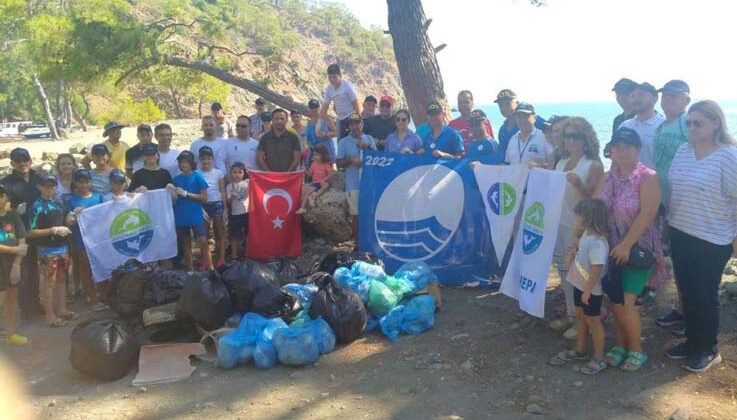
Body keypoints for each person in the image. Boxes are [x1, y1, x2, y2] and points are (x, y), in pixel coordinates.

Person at [665, 100, 737, 372]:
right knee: (686, 290)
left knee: (704, 294)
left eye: (699, 123)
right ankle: (692, 341)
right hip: (681, 230)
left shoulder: (728, 156)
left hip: (713, 237)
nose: (692, 127)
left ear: (716, 123)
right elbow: (676, 189)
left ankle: (708, 349)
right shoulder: (684, 151)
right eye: (689, 122)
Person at [596, 127, 665, 372]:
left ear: (637, 149)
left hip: (637, 250)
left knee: (627, 301)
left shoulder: (648, 177)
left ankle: (636, 348)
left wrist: (625, 245)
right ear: (611, 150)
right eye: (618, 146)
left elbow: (647, 214)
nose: (622, 151)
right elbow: (595, 209)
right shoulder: (607, 177)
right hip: (610, 250)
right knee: (614, 301)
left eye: (628, 146)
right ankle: (621, 344)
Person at [550, 117, 604, 339]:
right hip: (560, 223)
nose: (571, 140)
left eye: (576, 136)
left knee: (583, 275)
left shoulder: (593, 164)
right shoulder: (561, 162)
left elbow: (597, 200)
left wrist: (579, 185)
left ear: (586, 139)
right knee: (564, 272)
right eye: (567, 136)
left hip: (582, 228)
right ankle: (573, 315)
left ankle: (588, 320)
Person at [550, 198, 609, 375]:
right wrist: (573, 247)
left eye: (578, 216)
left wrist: (588, 291)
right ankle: (581, 350)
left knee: (593, 321)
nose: (575, 218)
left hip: (590, 290)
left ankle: (599, 357)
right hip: (579, 285)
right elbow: (576, 244)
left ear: (587, 218)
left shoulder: (598, 243)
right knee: (581, 317)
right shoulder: (586, 236)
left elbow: (597, 268)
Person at [652, 80, 691, 334]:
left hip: (685, 205)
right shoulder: (661, 126)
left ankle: (690, 317)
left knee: (687, 263)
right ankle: (681, 310)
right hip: (665, 204)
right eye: (665, 96)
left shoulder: (688, 124)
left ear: (686, 100)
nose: (667, 100)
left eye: (674, 97)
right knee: (677, 262)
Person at [27, 173, 74, 327]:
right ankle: (49, 314)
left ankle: (62, 309)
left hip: (63, 248)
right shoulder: (36, 206)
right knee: (48, 283)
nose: (50, 188)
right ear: (39, 187)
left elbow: (64, 222)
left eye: (53, 185)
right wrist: (52, 230)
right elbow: (30, 232)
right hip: (47, 250)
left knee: (62, 279)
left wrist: (70, 218)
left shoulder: (59, 203)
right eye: (46, 185)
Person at [1, 148, 43, 319]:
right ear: (12, 163)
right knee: (22, 272)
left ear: (30, 161)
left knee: (36, 271)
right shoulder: (6, 183)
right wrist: (13, 210)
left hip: (39, 231)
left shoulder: (38, 178)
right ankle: (25, 309)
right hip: (18, 233)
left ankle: (35, 303)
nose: (22, 163)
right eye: (17, 160)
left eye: (25, 159)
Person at [65, 169, 105, 311]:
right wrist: (73, 215)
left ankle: (103, 295)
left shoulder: (99, 198)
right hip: (81, 240)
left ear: (91, 182)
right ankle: (91, 297)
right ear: (75, 183)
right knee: (85, 269)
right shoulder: (71, 201)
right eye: (80, 182)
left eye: (86, 182)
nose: (83, 185)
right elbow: (69, 222)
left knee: (101, 268)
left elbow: (106, 215)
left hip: (99, 239)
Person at [167, 151, 212, 272]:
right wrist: (172, 192)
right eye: (182, 162)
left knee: (202, 240)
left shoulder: (198, 176)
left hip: (195, 213)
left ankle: (210, 267)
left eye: (186, 162)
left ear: (192, 163)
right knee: (185, 242)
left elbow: (204, 197)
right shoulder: (176, 179)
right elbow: (174, 199)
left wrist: (187, 194)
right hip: (181, 213)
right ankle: (190, 269)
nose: (184, 164)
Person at [337, 113, 377, 247]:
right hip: (353, 183)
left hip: (368, 183)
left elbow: (377, 158)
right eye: (352, 123)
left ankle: (371, 241)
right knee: (356, 214)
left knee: (370, 212)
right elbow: (338, 164)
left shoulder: (369, 139)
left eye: (358, 123)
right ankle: (358, 243)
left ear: (362, 124)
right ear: (349, 126)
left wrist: (368, 149)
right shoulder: (343, 142)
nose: (356, 126)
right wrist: (350, 160)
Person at [0, 184, 29, 345]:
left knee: (12, 299)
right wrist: (14, 250)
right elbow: (18, 247)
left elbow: (22, 240)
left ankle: (11, 334)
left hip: (11, 264)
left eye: (1, 195)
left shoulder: (13, 216)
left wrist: (16, 265)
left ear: (6, 198)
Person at [618, 83, 666, 170]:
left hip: (654, 181)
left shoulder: (663, 126)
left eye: (641, 95)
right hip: (627, 182)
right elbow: (617, 156)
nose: (635, 99)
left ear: (655, 98)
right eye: (632, 96)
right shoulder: (625, 126)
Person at [197, 146, 227, 269]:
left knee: (219, 233)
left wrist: (225, 208)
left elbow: (222, 190)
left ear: (212, 159)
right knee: (204, 235)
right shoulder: (197, 173)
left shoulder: (218, 173)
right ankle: (206, 260)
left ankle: (221, 259)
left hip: (217, 204)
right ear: (200, 159)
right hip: (203, 205)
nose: (206, 161)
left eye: (208, 159)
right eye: (203, 159)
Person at [495, 89, 547, 157]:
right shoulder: (503, 130)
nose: (504, 108)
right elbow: (502, 153)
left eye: (507, 104)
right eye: (501, 106)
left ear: (517, 103)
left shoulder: (533, 121)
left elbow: (552, 135)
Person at [504, 103, 555, 168]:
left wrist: (539, 165)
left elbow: (554, 163)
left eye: (525, 116)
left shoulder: (544, 137)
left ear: (535, 118)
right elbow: (508, 164)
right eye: (519, 116)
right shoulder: (512, 139)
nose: (522, 120)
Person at [321, 64, 360, 139]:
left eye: (334, 77)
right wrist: (328, 120)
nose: (332, 80)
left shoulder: (347, 86)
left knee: (353, 140)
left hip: (351, 116)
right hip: (339, 118)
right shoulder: (329, 90)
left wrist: (357, 119)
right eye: (330, 77)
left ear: (340, 76)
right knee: (340, 142)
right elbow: (324, 108)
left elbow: (355, 102)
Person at [298, 143, 334, 214]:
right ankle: (302, 208)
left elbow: (331, 173)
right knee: (307, 192)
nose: (315, 157)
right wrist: (305, 170)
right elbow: (310, 175)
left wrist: (324, 179)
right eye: (314, 155)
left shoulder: (326, 164)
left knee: (325, 186)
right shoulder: (313, 164)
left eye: (317, 155)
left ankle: (314, 196)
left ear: (323, 155)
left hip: (323, 182)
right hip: (315, 183)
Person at [226, 162, 249, 261]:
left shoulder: (248, 182)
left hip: (248, 213)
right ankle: (234, 255)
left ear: (244, 173)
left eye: (240, 172)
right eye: (234, 172)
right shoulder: (229, 186)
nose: (237, 174)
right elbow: (228, 203)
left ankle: (249, 253)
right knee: (235, 235)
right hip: (235, 214)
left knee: (249, 234)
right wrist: (232, 197)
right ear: (231, 173)